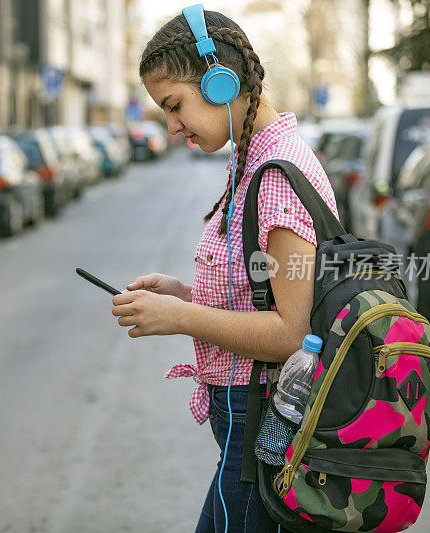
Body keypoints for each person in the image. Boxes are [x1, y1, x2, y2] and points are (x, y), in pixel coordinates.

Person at [110, 6, 341, 533]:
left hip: (262, 420)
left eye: (174, 105)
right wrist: (185, 295)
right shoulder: (253, 159)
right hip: (247, 423)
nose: (171, 126)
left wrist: (180, 318)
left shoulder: (276, 172)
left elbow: (290, 333)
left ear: (220, 82)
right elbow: (265, 297)